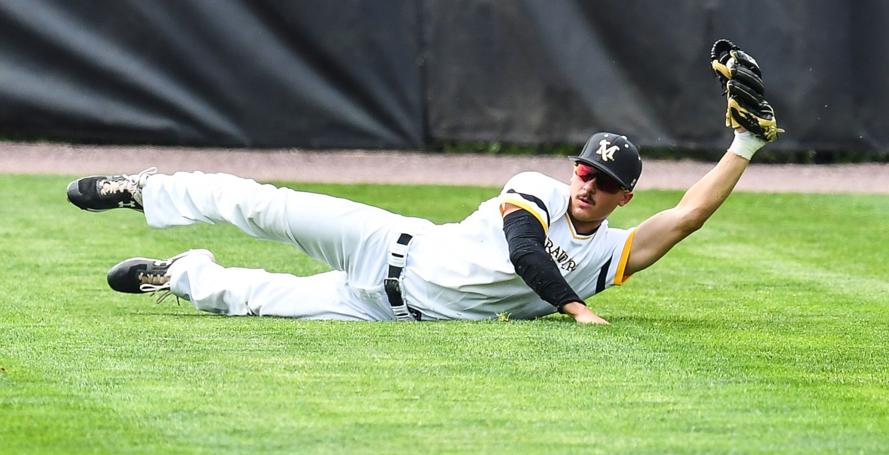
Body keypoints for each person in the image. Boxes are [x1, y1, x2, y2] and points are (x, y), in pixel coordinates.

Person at [65, 39, 782, 324]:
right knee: (266, 206)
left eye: (604, 183)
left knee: (250, 299)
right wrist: (577, 312)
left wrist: (744, 143)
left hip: (390, 313)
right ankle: (146, 190)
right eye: (585, 170)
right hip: (388, 243)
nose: (587, 186)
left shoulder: (609, 253)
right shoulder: (533, 188)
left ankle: (175, 274)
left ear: (624, 195)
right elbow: (524, 253)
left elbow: (686, 216)